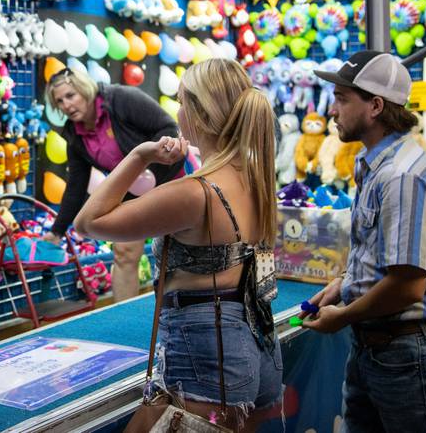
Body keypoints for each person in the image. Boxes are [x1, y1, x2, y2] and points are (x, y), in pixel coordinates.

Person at [74, 58, 282, 431]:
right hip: (251, 342)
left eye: (182, 102)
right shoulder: (256, 177)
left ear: (200, 115)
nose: (177, 112)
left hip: (206, 352)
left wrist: (139, 156)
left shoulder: (194, 193)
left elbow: (89, 221)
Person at [302, 51, 426, 432]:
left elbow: (407, 286)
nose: (333, 110)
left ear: (375, 106)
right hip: (380, 348)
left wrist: (343, 316)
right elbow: (381, 253)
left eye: (342, 99)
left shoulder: (401, 176)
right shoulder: (377, 166)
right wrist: (344, 285)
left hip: (410, 355)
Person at [43, 68, 184, 301]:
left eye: (70, 95)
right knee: (124, 253)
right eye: (59, 101)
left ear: (83, 89)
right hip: (131, 193)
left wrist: (149, 168)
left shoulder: (121, 98)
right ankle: (124, 319)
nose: (66, 105)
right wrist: (57, 231)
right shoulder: (75, 135)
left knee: (180, 250)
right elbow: (76, 185)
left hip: (168, 180)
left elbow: (167, 127)